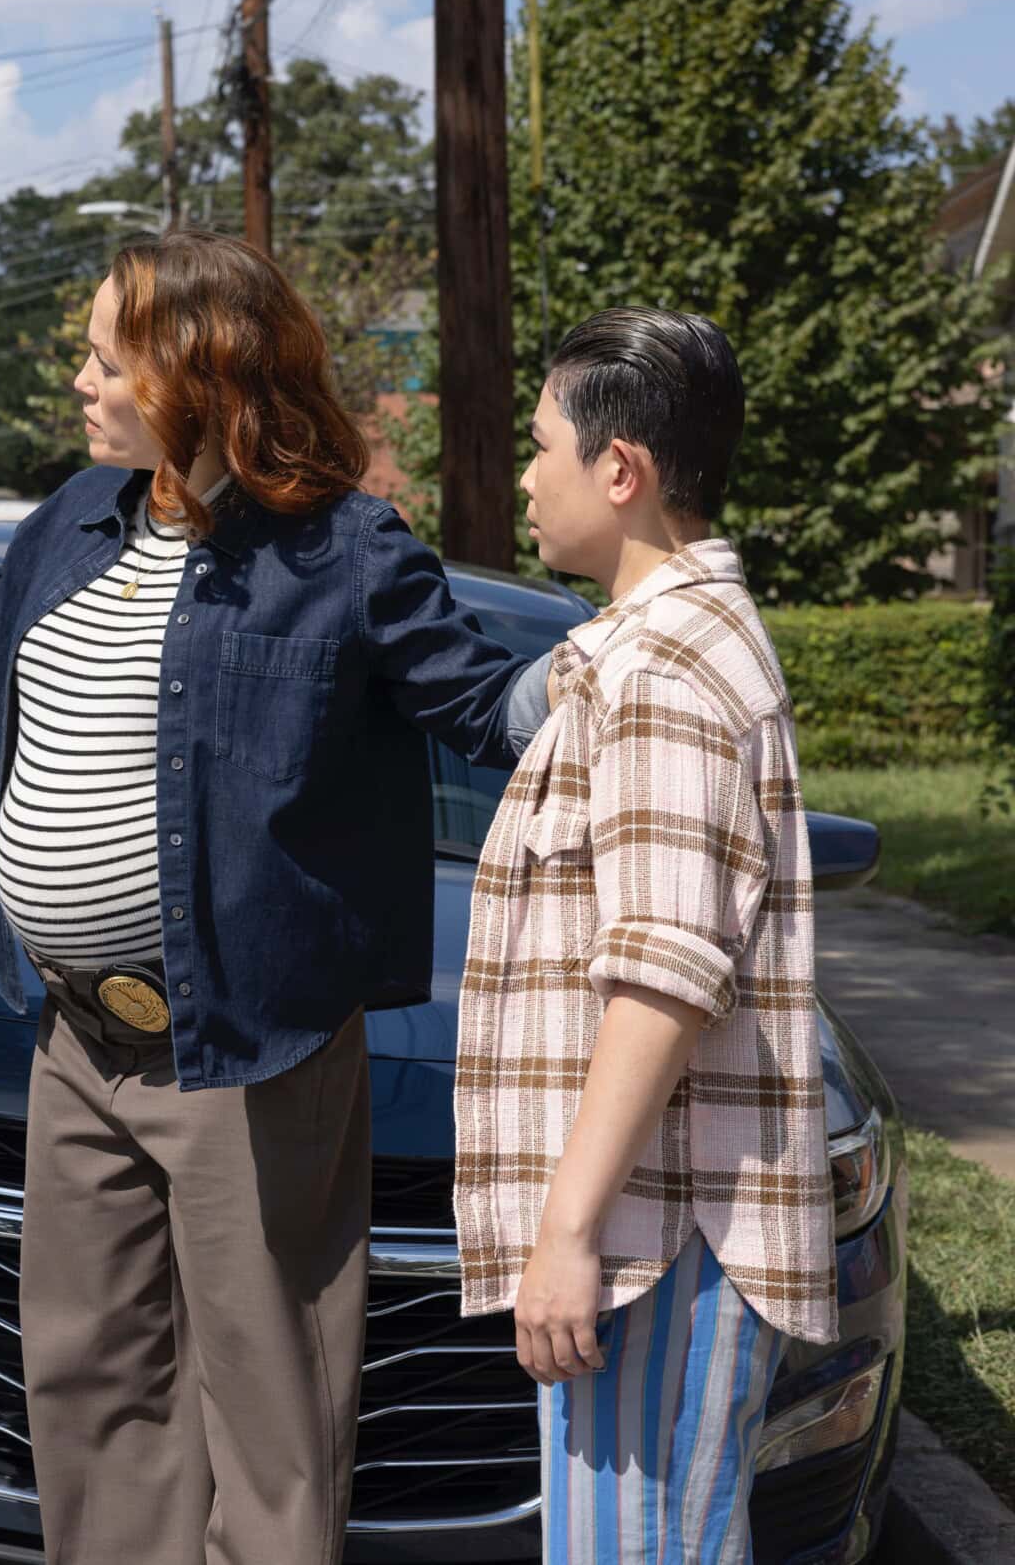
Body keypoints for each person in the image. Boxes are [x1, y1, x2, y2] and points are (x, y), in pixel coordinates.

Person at [0, 228, 552, 1565]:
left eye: (101, 354)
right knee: (92, 1381)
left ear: (195, 371)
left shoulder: (343, 551)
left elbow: (487, 706)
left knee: (266, 1402)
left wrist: (622, 653)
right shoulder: (73, 519)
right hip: (75, 1039)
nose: (77, 378)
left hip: (250, 1050)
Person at [453, 307, 837, 1564]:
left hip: (658, 1234)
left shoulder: (663, 673)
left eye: (540, 444)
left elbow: (662, 981)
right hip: (653, 1223)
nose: (523, 473)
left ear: (619, 473)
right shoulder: (653, 654)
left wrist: (564, 1236)